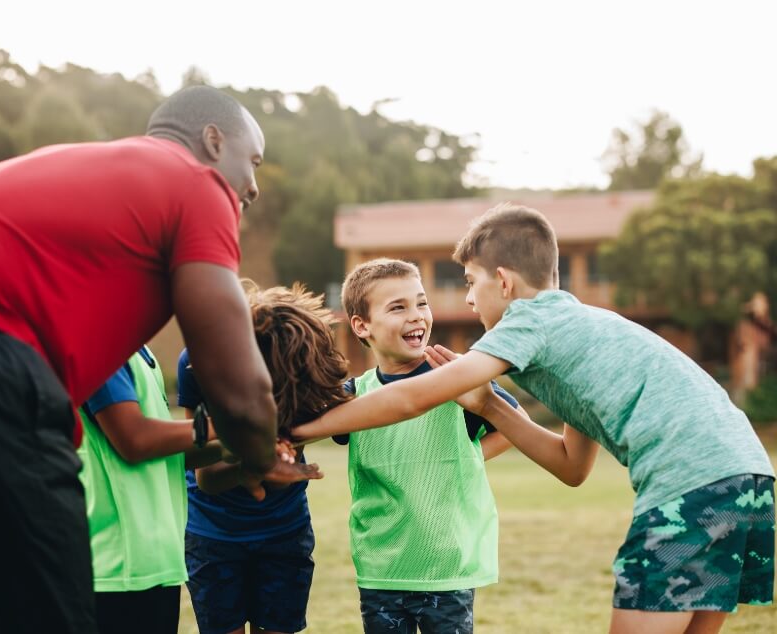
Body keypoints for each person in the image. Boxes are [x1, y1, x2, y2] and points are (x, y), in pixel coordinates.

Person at [294, 205, 776, 634]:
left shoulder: (530, 320)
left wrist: (299, 429)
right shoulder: (580, 336)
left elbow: (409, 399)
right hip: (748, 477)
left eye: (469, 283)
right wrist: (489, 407)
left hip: (688, 481)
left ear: (502, 282)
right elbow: (571, 467)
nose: (466, 301)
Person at [0, 85, 278, 633]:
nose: (254, 186)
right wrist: (261, 453)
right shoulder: (196, 184)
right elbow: (238, 386)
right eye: (254, 161)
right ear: (214, 141)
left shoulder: (98, 175)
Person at [321, 258, 519, 634]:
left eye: (421, 303)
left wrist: (470, 456)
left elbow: (515, 425)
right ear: (362, 325)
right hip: (382, 572)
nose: (416, 316)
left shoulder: (456, 382)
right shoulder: (354, 395)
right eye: (398, 307)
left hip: (447, 571)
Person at [179, 282, 351, 634]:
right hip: (212, 531)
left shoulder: (303, 367)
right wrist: (254, 463)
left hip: (284, 528)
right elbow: (205, 475)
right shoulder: (200, 362)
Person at [79, 344, 228, 634]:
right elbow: (134, 440)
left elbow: (168, 452)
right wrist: (234, 424)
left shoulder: (139, 351)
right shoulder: (98, 346)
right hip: (117, 566)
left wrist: (247, 445)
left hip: (156, 561)